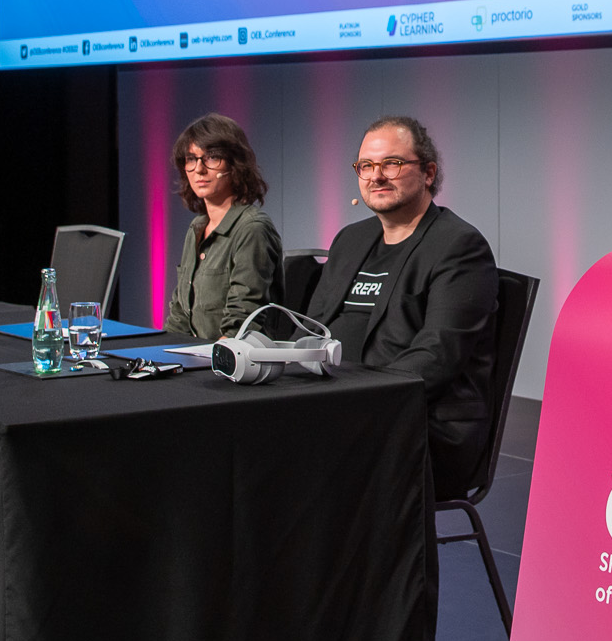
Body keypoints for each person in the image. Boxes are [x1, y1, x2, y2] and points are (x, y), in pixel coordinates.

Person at [307, 117, 498, 496]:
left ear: (429, 172)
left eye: (392, 163)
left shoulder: (458, 246)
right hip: (337, 409)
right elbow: (313, 329)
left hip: (420, 425)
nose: (376, 176)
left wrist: (353, 403)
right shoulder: (350, 239)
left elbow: (436, 356)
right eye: (366, 166)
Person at [164, 114, 284, 340]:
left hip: (235, 356)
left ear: (235, 164)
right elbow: (180, 314)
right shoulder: (197, 227)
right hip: (195, 353)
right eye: (191, 159)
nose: (199, 169)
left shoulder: (252, 228)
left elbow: (242, 323)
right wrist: (163, 352)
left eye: (212, 158)